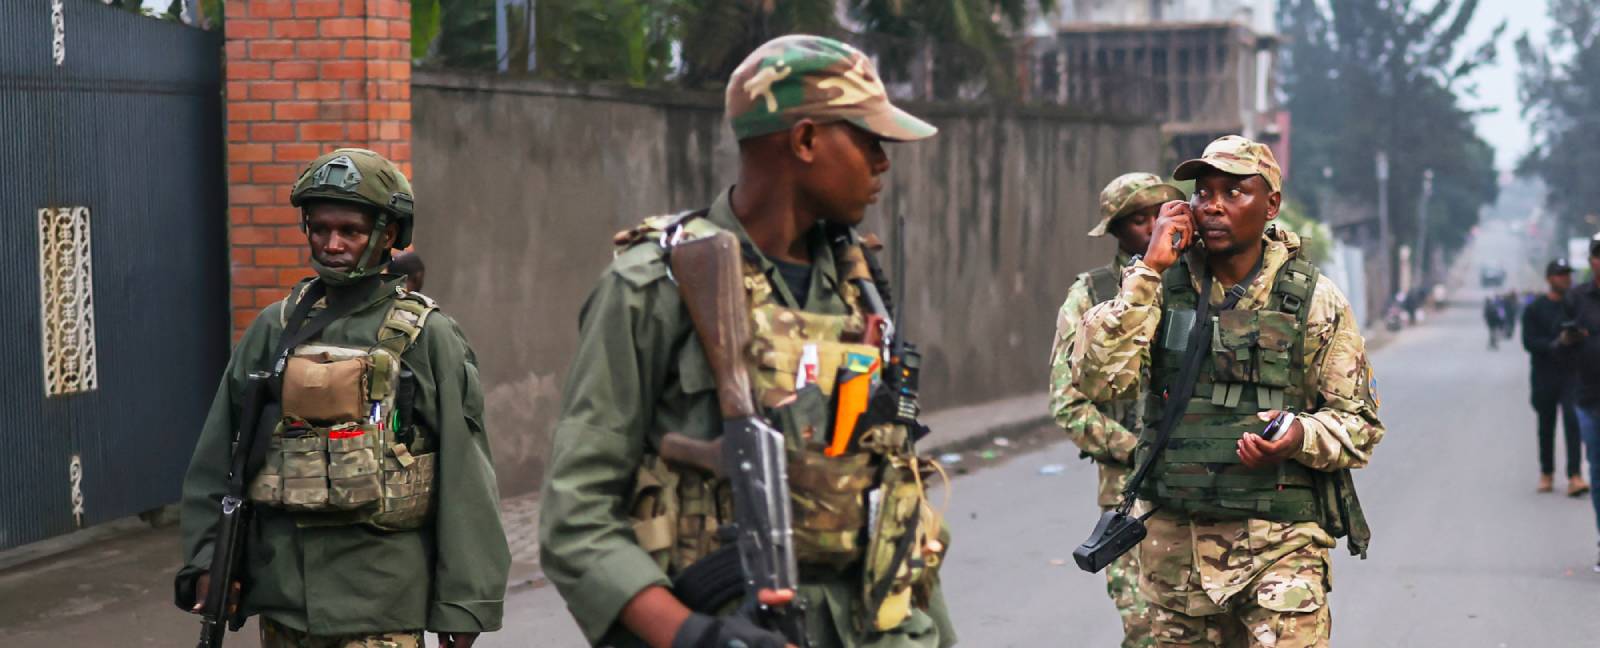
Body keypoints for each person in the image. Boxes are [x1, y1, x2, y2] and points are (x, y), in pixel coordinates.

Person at [539, 35, 955, 648]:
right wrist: (697, 636)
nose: (883, 162)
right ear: (806, 140)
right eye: (868, 140)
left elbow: (896, 492)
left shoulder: (858, 288)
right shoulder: (656, 284)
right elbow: (576, 519)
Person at [173, 149, 510, 648]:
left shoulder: (429, 336)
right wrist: (207, 561)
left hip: (382, 607)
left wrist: (463, 607)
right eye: (320, 228)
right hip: (285, 600)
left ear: (388, 234)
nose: (332, 244)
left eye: (350, 231)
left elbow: (465, 477)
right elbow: (220, 454)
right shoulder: (275, 327)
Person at [1072, 135, 1383, 646]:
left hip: (1280, 552)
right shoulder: (1156, 285)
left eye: (1234, 192)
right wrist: (1148, 270)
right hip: (1176, 562)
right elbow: (1099, 377)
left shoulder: (1313, 300)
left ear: (1271, 205)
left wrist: (1299, 436)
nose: (1214, 205)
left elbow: (1360, 425)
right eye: (1203, 192)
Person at [1049, 172, 1183, 648]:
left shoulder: (1204, 286)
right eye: (1136, 219)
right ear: (1116, 230)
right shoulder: (1092, 293)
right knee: (1147, 631)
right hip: (1129, 499)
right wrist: (1137, 451)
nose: (1150, 227)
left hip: (1203, 494)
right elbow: (1067, 400)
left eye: (1159, 213)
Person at [1521, 259, 1588, 496]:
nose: (1566, 279)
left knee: (1573, 422)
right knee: (1546, 424)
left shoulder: (1576, 305)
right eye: (1560, 275)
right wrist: (1555, 343)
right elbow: (1529, 342)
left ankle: (1575, 475)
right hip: (1544, 373)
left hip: (1571, 373)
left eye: (1568, 274)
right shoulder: (1534, 309)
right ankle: (1546, 472)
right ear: (1550, 279)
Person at [1563, 235, 1600, 572]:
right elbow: (1563, 343)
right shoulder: (1576, 298)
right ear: (1591, 261)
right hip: (1589, 399)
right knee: (1599, 475)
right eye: (1598, 255)